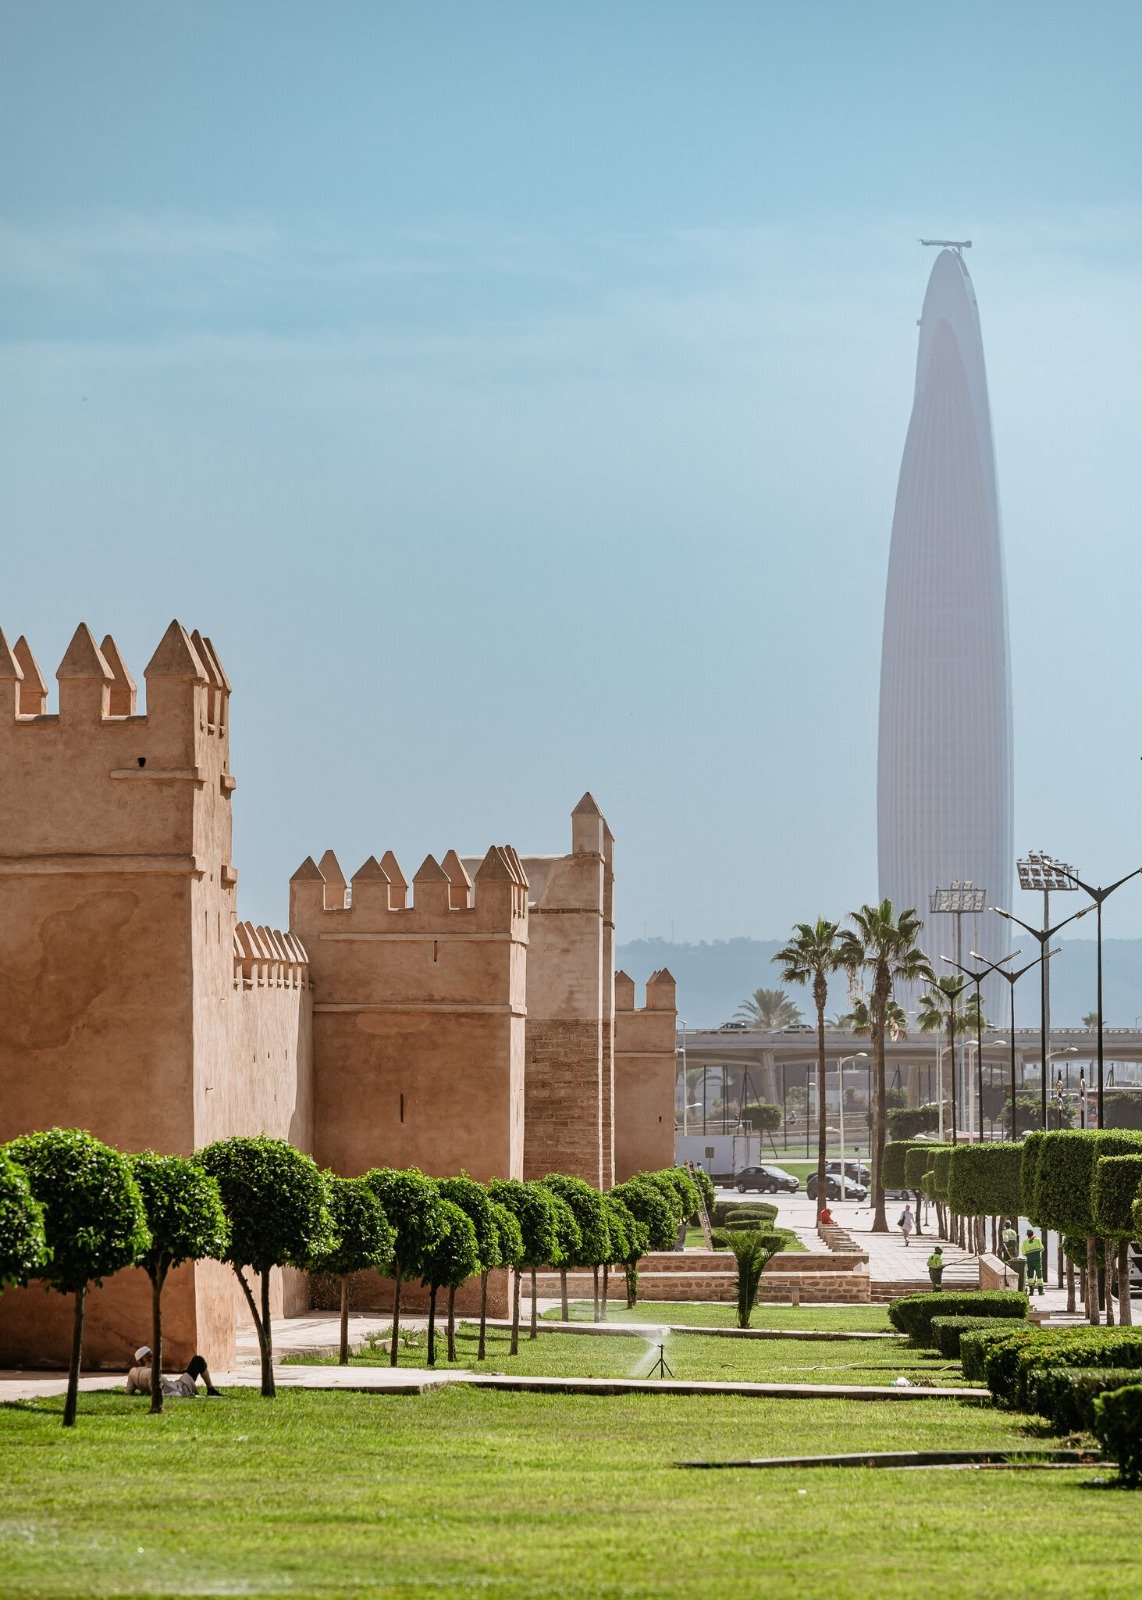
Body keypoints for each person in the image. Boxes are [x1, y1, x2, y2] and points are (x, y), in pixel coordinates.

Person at [127, 1350, 221, 1397]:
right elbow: (160, 1394)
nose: (154, 1358)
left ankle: (211, 1389)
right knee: (198, 1360)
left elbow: (129, 1392)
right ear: (144, 1359)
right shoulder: (152, 1373)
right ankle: (211, 1389)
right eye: (150, 1356)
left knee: (197, 1360)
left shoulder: (133, 1372)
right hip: (180, 1389)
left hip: (176, 1385)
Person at [1022, 1228, 1045, 1296]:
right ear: (1033, 1234)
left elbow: (1023, 1252)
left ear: (1027, 1235)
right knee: (1039, 1275)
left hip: (1030, 1261)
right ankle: (1040, 1291)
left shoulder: (1025, 1242)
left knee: (1030, 1276)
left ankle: (1031, 1291)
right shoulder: (1037, 1240)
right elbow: (1042, 1248)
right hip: (1037, 1261)